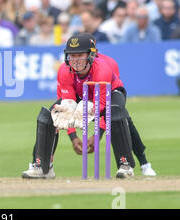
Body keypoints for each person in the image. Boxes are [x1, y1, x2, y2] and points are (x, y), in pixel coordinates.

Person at [21, 33, 137, 179]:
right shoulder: (64, 70)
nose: (75, 60)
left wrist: (96, 131)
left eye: (80, 55)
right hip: (81, 95)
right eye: (72, 55)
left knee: (115, 114)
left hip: (110, 93)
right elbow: (68, 102)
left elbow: (101, 105)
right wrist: (72, 133)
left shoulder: (102, 70)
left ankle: (125, 165)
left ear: (90, 55)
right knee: (48, 116)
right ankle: (43, 168)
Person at [64, 33, 157, 176]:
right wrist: (73, 134)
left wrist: (98, 134)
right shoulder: (72, 67)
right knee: (122, 118)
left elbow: (105, 101)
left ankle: (141, 163)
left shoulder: (107, 64)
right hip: (87, 99)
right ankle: (40, 164)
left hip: (109, 96)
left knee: (120, 117)